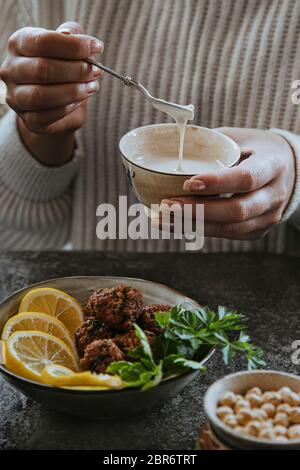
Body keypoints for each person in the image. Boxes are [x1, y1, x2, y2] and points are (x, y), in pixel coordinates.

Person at [0, 0, 299, 253]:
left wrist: (294, 168)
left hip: (255, 310)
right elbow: (19, 237)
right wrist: (41, 132)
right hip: (104, 298)